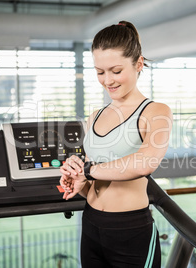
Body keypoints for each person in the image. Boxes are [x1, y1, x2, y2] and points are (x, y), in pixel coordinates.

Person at [59, 20, 172, 268]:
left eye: (116, 71)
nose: (107, 80)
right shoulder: (95, 116)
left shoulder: (155, 112)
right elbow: (96, 180)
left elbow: (145, 163)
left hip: (130, 230)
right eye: (100, 72)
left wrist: (88, 170)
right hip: (91, 223)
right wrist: (80, 180)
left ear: (138, 64)